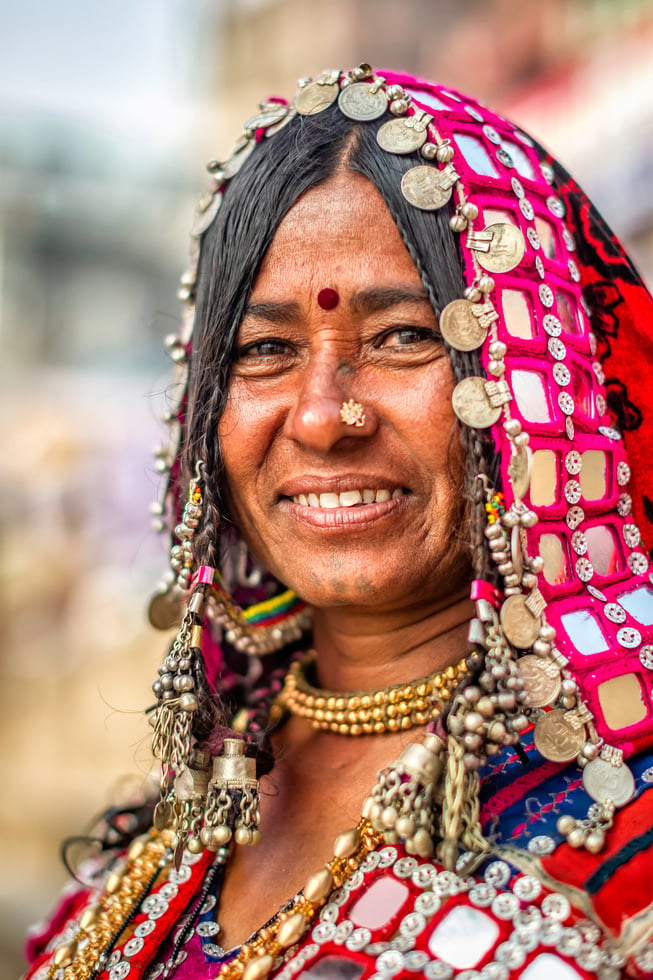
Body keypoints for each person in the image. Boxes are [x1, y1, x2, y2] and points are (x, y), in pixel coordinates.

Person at [23, 64, 653, 980]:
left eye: (402, 336)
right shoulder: (191, 807)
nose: (322, 417)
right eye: (265, 349)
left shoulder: (624, 812)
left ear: (538, 379)